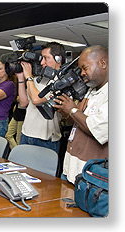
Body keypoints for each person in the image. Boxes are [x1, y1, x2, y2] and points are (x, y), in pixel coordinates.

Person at [53, 45, 108, 184]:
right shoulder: (91, 91)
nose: (82, 73)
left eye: (85, 68)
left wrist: (72, 110)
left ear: (103, 63)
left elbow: (97, 129)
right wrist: (67, 113)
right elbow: (80, 120)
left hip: (90, 178)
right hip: (70, 168)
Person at [16, 42, 66, 153]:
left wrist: (29, 77)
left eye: (46, 58)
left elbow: (36, 100)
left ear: (58, 59)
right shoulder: (39, 79)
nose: (42, 62)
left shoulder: (61, 83)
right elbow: (24, 103)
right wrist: (21, 78)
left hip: (45, 138)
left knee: (41, 171)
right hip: (26, 133)